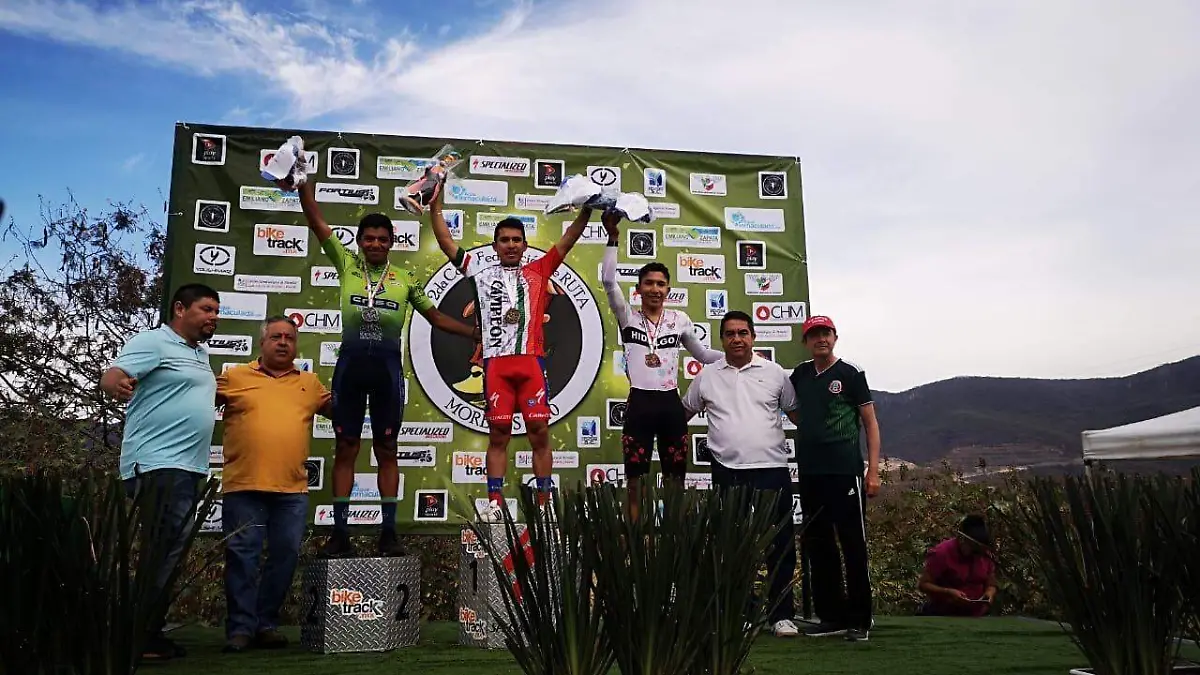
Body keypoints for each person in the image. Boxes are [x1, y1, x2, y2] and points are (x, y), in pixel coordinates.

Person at [287, 178, 477, 557]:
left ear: (392, 243)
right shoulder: (346, 264)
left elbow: (436, 317)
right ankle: (340, 533)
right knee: (346, 447)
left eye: (382, 239)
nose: (375, 244)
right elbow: (316, 221)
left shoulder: (404, 278)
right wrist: (303, 185)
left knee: (387, 449)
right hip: (351, 369)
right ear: (359, 241)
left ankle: (388, 533)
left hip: (388, 372)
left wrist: (474, 332)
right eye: (369, 238)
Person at [428, 180, 593, 519]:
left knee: (539, 433)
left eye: (517, 240)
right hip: (496, 367)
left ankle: (544, 504)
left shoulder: (539, 270)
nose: (511, 245)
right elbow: (446, 242)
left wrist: (588, 209)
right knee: (498, 435)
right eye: (504, 240)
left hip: (530, 365)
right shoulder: (478, 271)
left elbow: (568, 240)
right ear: (495, 245)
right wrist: (435, 204)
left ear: (525, 244)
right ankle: (494, 504)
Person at [99, 283, 222, 662]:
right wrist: (116, 385)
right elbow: (112, 375)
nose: (213, 317)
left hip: (186, 468)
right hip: (157, 465)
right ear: (180, 309)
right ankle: (141, 636)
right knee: (162, 552)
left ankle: (145, 632)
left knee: (168, 551)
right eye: (206, 309)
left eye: (216, 311)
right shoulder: (154, 341)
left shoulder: (199, 353)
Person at [216, 316, 333, 652]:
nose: (283, 342)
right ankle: (240, 630)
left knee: (285, 557)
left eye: (290, 338)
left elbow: (343, 412)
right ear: (262, 342)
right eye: (276, 337)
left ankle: (265, 624)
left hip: (292, 490)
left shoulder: (309, 383)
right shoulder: (234, 377)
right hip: (244, 486)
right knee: (243, 557)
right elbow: (192, 400)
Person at [681, 310, 800, 638]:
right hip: (727, 471)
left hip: (772, 469)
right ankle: (741, 613)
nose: (737, 339)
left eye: (743, 333)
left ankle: (781, 615)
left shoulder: (775, 373)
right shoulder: (707, 376)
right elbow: (682, 413)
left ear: (753, 337)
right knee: (731, 546)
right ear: (721, 340)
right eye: (730, 334)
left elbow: (797, 414)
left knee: (780, 545)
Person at [600, 212, 723, 518]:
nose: (655, 289)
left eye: (661, 284)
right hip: (639, 404)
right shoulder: (628, 316)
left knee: (675, 482)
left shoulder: (679, 319)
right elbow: (608, 280)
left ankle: (674, 540)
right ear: (638, 289)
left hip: (671, 406)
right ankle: (634, 539)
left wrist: (739, 357)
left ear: (668, 290)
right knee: (635, 482)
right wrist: (613, 237)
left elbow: (702, 355)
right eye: (649, 283)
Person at [788, 315, 882, 642]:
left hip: (845, 471)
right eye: (814, 335)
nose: (821, 340)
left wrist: (873, 470)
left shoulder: (850, 372)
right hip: (810, 471)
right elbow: (794, 411)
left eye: (826, 334)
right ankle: (832, 617)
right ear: (806, 342)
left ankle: (860, 619)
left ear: (835, 337)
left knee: (853, 544)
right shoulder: (800, 375)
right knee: (819, 545)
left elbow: (870, 423)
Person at [918, 514, 998, 617]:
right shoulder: (941, 553)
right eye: (973, 549)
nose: (976, 554)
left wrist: (989, 594)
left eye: (978, 551)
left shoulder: (985, 555)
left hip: (976, 616)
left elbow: (991, 583)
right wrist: (948, 592)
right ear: (961, 539)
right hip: (943, 614)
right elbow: (923, 585)